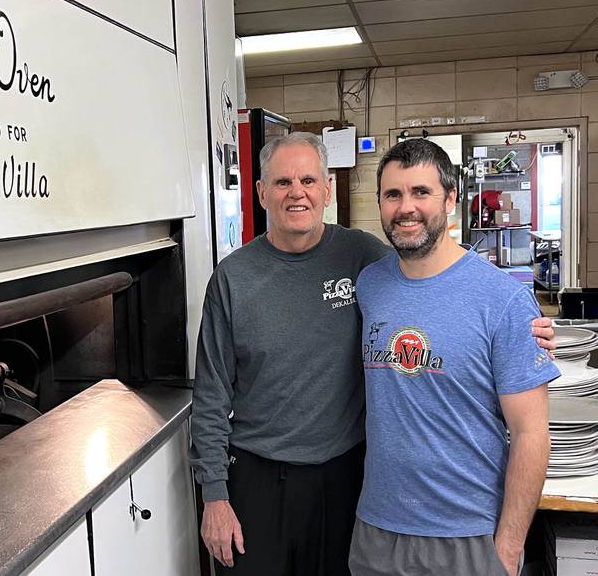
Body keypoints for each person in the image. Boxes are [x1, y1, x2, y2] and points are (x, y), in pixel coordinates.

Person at [190, 133, 555, 575]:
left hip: (350, 481)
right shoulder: (240, 278)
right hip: (266, 481)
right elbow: (210, 397)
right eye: (282, 181)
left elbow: (430, 272)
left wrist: (523, 327)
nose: (296, 192)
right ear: (261, 192)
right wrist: (214, 494)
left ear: (327, 189)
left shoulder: (363, 259)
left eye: (308, 179)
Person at [349, 139, 560, 576]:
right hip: (377, 532)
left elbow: (531, 434)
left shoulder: (503, 300)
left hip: (467, 536)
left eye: (421, 192)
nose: (406, 208)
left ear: (450, 199)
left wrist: (506, 550)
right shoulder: (369, 285)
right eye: (393, 194)